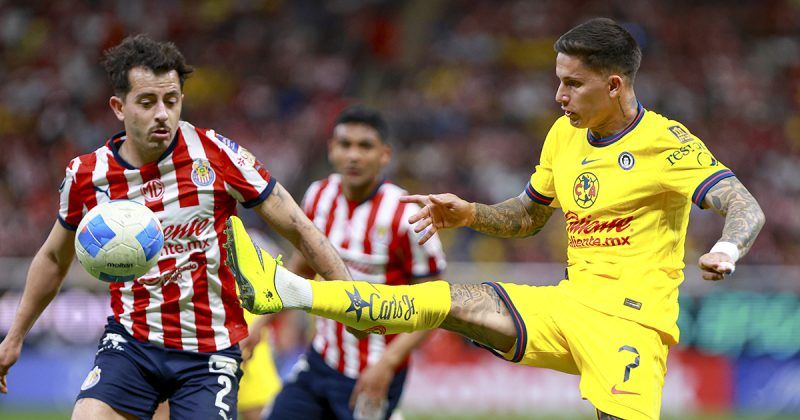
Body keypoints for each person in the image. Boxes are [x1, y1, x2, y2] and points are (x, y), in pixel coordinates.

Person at [223, 18, 766, 420]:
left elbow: (744, 204)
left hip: (631, 324)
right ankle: (291, 291)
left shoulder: (666, 142)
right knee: (447, 300)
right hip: (568, 304)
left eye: (573, 84)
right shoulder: (565, 135)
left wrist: (727, 248)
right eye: (558, 80)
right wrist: (469, 213)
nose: (559, 96)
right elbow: (529, 215)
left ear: (614, 85)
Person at [0, 34, 351, 419]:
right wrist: (14, 337)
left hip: (209, 351)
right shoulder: (88, 174)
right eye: (147, 102)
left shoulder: (216, 155)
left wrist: (353, 300)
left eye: (171, 100)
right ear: (118, 107)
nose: (162, 114)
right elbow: (54, 257)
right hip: (131, 343)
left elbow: (299, 227)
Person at [242, 105, 446, 420]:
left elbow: (436, 305)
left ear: (385, 155)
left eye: (365, 146)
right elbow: (302, 267)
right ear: (331, 150)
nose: (353, 155)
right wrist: (261, 324)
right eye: (345, 144)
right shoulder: (318, 196)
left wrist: (387, 365)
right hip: (321, 359)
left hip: (374, 370)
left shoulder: (406, 215)